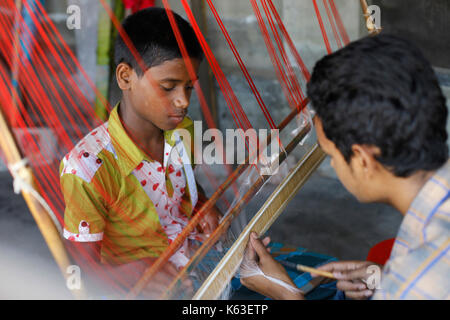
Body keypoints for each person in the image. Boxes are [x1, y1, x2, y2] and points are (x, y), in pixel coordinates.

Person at [241, 34, 450, 300]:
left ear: (362, 160)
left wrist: (288, 296)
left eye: (331, 155)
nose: (332, 164)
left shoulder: (413, 285)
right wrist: (386, 277)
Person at [59, 8, 221, 298]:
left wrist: (202, 203)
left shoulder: (183, 131)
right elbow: (78, 271)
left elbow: (183, 184)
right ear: (125, 77)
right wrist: (130, 274)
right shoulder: (87, 168)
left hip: (193, 261)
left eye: (189, 87)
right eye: (168, 87)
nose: (183, 101)